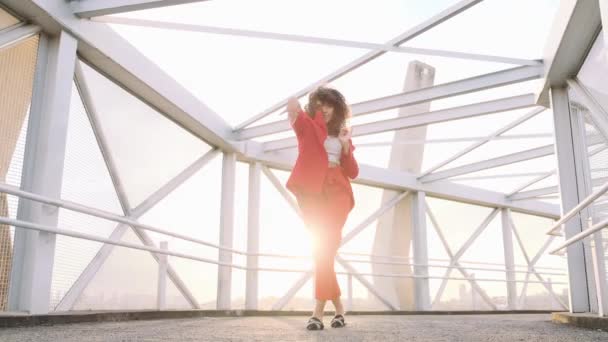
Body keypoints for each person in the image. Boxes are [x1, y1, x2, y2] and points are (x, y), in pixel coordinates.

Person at [285, 86, 359, 330]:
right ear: (313, 107)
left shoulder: (342, 133)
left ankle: (317, 313)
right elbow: (295, 113)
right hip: (312, 193)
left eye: (329, 105)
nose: (325, 109)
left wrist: (346, 147)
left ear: (337, 108)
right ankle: (339, 310)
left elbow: (353, 172)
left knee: (324, 250)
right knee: (323, 253)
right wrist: (297, 105)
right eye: (320, 105)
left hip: (337, 190)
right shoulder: (306, 126)